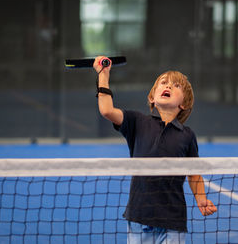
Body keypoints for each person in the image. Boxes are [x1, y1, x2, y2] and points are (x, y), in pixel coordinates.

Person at [93, 56, 217, 244]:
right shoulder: (137, 122)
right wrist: (103, 74)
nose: (168, 86)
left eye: (176, 86)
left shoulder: (187, 135)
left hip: (173, 221)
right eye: (163, 83)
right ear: (152, 97)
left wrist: (201, 198)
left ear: (183, 104)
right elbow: (107, 110)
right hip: (138, 218)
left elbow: (194, 172)